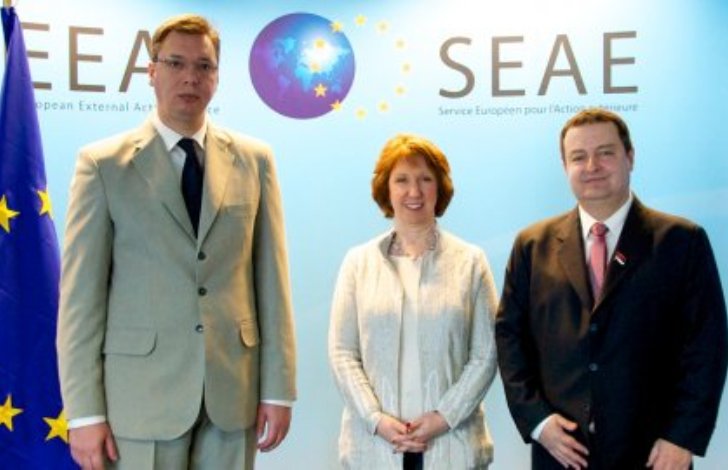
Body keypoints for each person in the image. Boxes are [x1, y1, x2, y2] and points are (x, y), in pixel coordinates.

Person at [57, 14, 296, 470]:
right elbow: (80, 301)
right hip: (140, 400)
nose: (191, 77)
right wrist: (83, 412)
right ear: (151, 71)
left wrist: (278, 389)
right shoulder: (103, 165)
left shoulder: (255, 160)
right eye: (176, 63)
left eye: (204, 66)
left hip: (233, 396)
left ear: (217, 77)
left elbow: (272, 285)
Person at [495, 107, 728, 470]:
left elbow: (707, 345)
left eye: (605, 153)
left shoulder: (682, 242)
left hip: (655, 454)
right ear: (565, 166)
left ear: (629, 157)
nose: (592, 166)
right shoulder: (532, 245)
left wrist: (682, 437)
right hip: (561, 452)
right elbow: (510, 339)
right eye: (578, 157)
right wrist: (537, 421)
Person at [328, 133, 499, 469]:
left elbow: (486, 353)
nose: (414, 191)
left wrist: (444, 416)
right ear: (386, 189)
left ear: (440, 187)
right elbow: (342, 353)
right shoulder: (358, 263)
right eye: (402, 180)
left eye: (425, 179)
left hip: (452, 444)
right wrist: (375, 418)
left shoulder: (470, 262)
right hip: (374, 446)